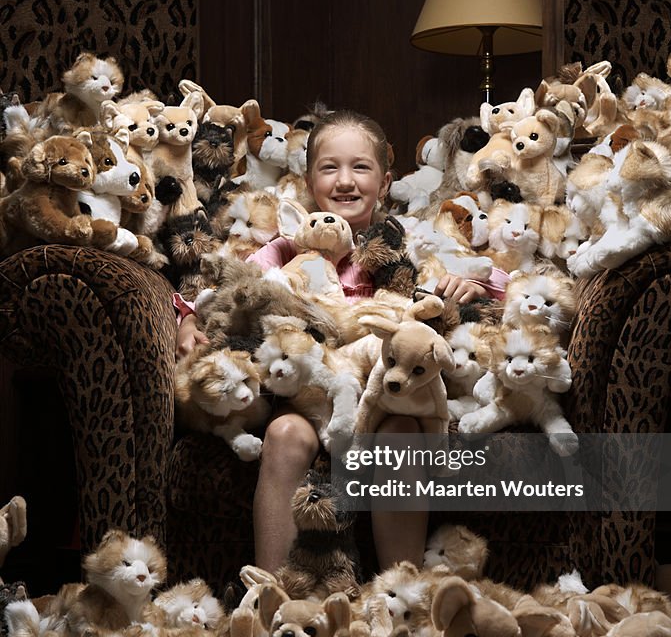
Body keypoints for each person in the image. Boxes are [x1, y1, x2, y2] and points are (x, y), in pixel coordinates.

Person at [175, 109, 508, 573]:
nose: (345, 180)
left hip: (387, 396)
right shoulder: (290, 246)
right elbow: (234, 285)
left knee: (400, 437)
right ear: (309, 180)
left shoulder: (408, 238)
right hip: (316, 392)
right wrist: (188, 321)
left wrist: (469, 284)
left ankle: (401, 593)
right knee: (283, 433)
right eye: (329, 167)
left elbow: (495, 279)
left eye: (361, 167)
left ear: (386, 181)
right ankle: (269, 590)